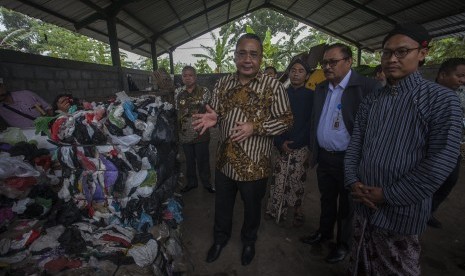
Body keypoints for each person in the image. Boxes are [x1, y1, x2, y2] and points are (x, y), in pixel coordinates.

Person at [344, 23, 461, 275]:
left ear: (422, 53)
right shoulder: (373, 99)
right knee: (360, 265)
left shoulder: (441, 100)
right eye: (387, 53)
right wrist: (353, 180)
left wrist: (388, 195)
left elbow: (441, 160)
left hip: (401, 213)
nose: (392, 59)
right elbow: (356, 143)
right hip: (362, 204)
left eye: (402, 51)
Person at [192, 33, 293, 266]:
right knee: (223, 206)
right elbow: (215, 111)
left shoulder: (273, 86)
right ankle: (220, 239)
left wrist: (255, 127)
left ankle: (249, 241)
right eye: (242, 53)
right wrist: (213, 118)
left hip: (255, 166)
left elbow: (287, 120)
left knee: (252, 208)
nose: (248, 59)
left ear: (260, 57)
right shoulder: (223, 82)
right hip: (225, 161)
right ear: (235, 56)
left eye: (253, 54)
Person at [299, 43, 379, 264]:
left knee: (347, 205)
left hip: (350, 160)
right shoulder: (323, 87)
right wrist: (312, 150)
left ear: (349, 61)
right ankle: (323, 234)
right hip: (325, 156)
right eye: (324, 62)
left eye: (332, 62)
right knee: (326, 199)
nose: (327, 66)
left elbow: (374, 131)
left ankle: (343, 244)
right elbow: (315, 119)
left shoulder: (367, 87)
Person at [265, 59, 313, 227]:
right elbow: (273, 119)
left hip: (301, 147)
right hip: (281, 144)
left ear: (307, 76)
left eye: (301, 71)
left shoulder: (312, 96)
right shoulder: (280, 94)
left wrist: (296, 143)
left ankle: (296, 209)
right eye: (293, 70)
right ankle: (276, 209)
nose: (296, 73)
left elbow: (310, 124)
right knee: (279, 178)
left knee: (296, 179)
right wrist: (280, 142)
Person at [427, 58, 465, 228]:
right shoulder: (426, 94)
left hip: (453, 149)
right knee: (427, 182)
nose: (462, 80)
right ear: (443, 75)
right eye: (459, 75)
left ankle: (428, 212)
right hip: (430, 149)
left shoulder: (461, 94)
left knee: (450, 180)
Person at [174, 66, 215, 194]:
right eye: (184, 75)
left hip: (201, 133)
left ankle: (207, 183)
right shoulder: (178, 92)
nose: (187, 78)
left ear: (195, 77)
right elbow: (177, 111)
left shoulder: (204, 91)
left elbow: (210, 110)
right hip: (185, 134)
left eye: (190, 75)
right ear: (182, 77)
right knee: (189, 162)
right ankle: (191, 183)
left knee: (203, 160)